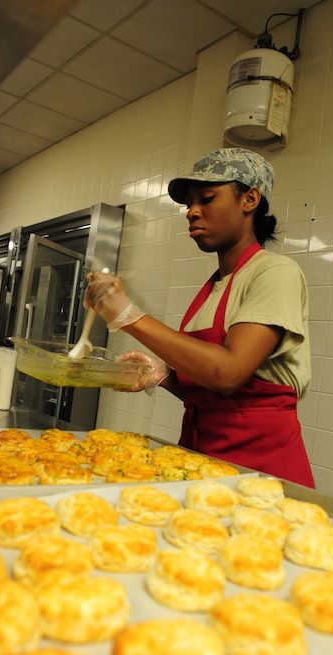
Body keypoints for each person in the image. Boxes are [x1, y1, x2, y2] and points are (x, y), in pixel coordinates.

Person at [85, 147, 314, 488]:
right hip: (204, 463)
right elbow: (215, 393)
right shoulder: (215, 286)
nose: (192, 212)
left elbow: (228, 373)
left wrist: (129, 316)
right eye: (189, 204)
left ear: (249, 200)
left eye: (206, 198)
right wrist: (163, 375)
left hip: (260, 473)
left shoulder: (275, 272)